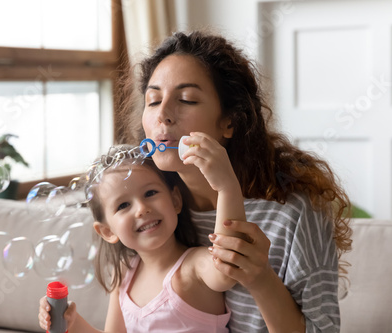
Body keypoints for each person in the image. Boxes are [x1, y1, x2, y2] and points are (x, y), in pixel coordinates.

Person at [114, 30, 352, 332]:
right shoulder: (151, 208)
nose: (163, 115)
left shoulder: (292, 211)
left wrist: (260, 278)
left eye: (186, 99)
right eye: (153, 100)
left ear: (229, 122)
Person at [38, 139, 246, 333]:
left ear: (175, 201)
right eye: (123, 205)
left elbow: (227, 269)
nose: (141, 209)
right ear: (107, 231)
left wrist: (227, 188)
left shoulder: (194, 266)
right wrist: (72, 323)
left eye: (150, 193)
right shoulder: (125, 273)